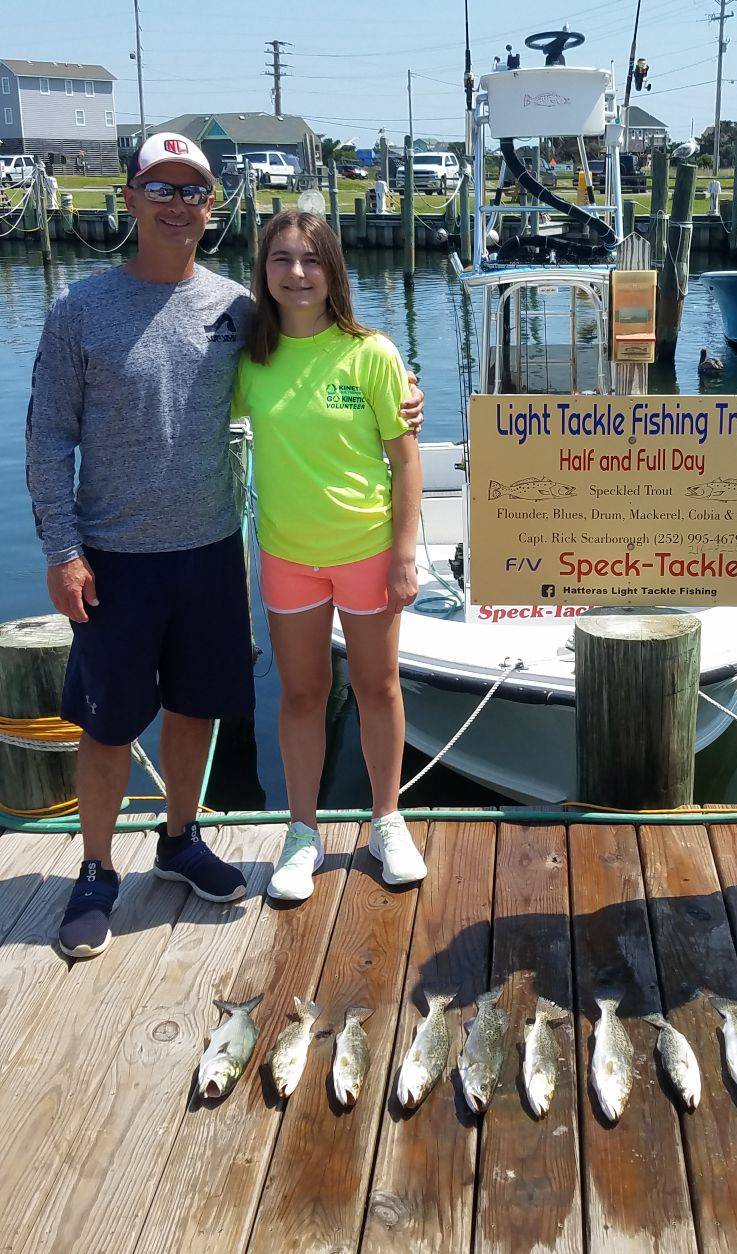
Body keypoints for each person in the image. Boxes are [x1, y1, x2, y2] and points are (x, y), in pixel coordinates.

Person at [24, 135, 424, 959]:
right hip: (114, 554)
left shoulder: (236, 312)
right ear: (129, 198)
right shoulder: (78, 311)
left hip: (213, 549)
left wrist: (403, 389)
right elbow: (44, 438)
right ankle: (96, 870)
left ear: (213, 209)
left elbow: (330, 351)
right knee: (105, 725)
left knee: (198, 705)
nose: (177, 203)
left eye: (194, 190)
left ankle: (180, 839)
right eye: (160, 187)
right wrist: (62, 549)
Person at [234, 210, 426, 902]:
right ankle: (301, 831)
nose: (296, 273)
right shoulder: (249, 358)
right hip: (288, 555)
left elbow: (405, 462)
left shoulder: (370, 352)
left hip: (367, 550)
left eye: (311, 260)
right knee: (302, 693)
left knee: (378, 686)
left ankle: (386, 820)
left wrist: (404, 556)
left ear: (332, 271)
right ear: (264, 271)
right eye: (281, 259)